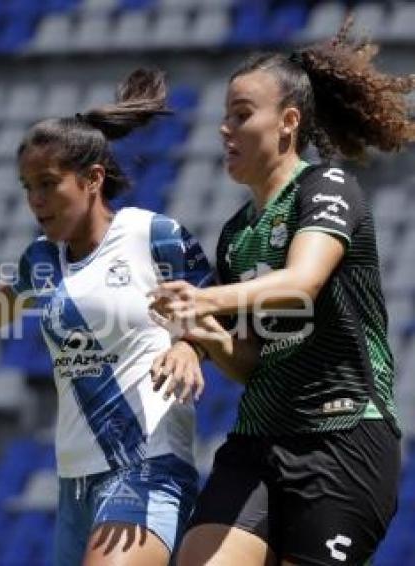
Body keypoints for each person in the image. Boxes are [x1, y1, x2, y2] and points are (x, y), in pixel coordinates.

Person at [0, 69, 213, 565]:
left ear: (93, 179)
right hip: (75, 476)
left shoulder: (153, 235)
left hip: (147, 461)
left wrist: (190, 346)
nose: (35, 201)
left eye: (48, 184)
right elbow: (2, 300)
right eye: (27, 187)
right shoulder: (42, 259)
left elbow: (216, 302)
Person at [149, 18, 414, 566]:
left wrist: (204, 302)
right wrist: (205, 339)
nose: (225, 129)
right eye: (225, 115)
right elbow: (251, 363)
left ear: (288, 122)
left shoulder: (327, 187)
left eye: (241, 115)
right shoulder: (236, 235)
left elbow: (302, 281)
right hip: (259, 440)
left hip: (342, 439)